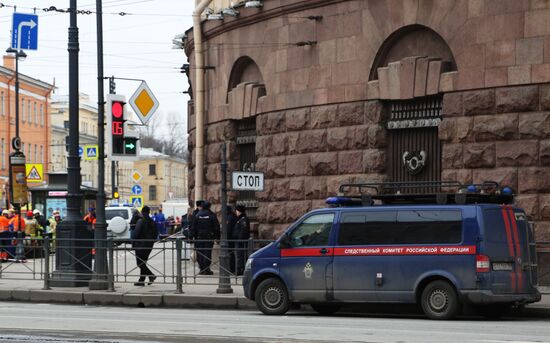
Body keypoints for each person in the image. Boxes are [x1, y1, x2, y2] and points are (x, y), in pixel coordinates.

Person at [191, 201, 220, 275]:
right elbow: (216, 227)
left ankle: (201, 268)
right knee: (207, 252)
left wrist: (193, 237)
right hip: (209, 237)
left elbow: (193, 227)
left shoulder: (198, 215)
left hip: (199, 237)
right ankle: (207, 269)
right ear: (209, 206)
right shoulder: (211, 215)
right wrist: (217, 237)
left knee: (200, 253)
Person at [132, 206, 158, 286]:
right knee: (143, 262)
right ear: (149, 212)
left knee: (140, 263)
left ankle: (151, 275)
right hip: (149, 246)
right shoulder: (152, 221)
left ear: (142, 212)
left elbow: (136, 234)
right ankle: (141, 280)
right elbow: (156, 234)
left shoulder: (140, 221)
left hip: (140, 245)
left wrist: (133, 243)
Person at [233, 205, 250, 275]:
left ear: (239, 211)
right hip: (239, 241)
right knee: (240, 256)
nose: (235, 212)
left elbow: (243, 231)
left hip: (241, 241)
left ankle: (240, 270)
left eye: (236, 210)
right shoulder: (240, 219)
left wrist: (240, 240)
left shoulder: (243, 219)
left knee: (241, 256)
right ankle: (240, 269)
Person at [226, 205, 238, 273]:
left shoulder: (230, 217)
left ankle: (232, 269)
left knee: (231, 254)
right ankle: (231, 268)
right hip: (230, 238)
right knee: (231, 254)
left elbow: (228, 229)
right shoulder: (231, 216)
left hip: (230, 238)